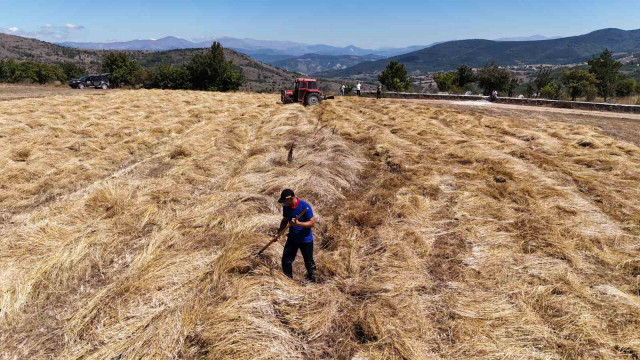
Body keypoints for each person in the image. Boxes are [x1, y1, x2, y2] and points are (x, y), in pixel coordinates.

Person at [276, 189, 317, 282]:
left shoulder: (305, 206)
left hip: (305, 239)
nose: (284, 204)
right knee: (286, 260)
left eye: (285, 201)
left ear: (291, 199)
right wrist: (279, 232)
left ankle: (313, 281)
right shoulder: (286, 206)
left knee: (309, 262)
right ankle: (288, 281)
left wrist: (298, 224)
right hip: (292, 238)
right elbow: (285, 220)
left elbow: (312, 223)